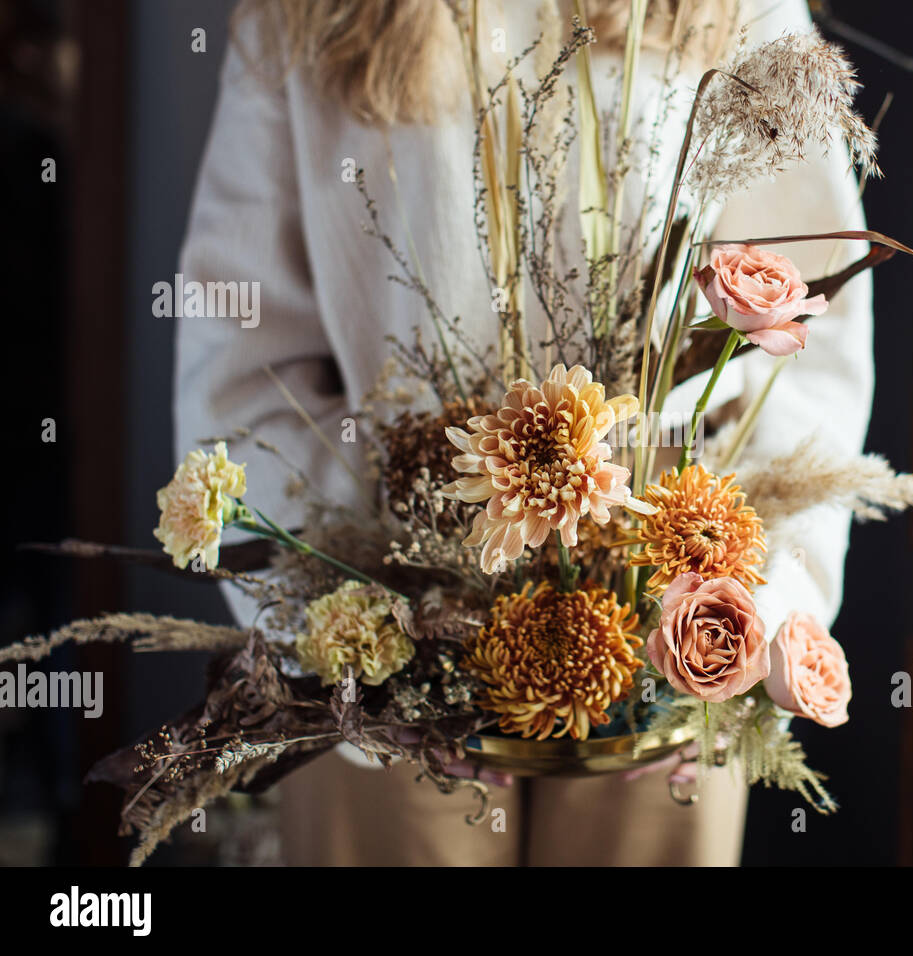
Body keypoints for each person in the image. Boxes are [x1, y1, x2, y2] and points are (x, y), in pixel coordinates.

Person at [174, 0, 873, 866]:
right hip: (397, 665)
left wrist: (753, 616)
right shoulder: (303, 18)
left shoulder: (738, 11)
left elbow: (810, 332)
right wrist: (350, 637)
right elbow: (244, 347)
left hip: (667, 648)